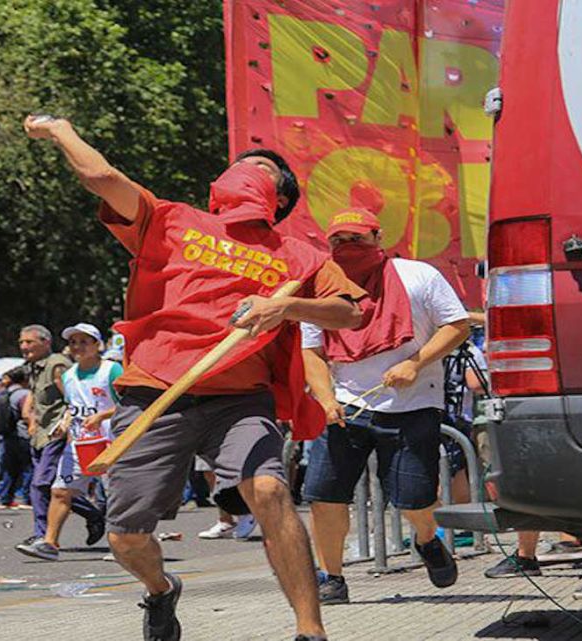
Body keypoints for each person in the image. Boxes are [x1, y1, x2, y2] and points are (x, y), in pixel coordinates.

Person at [25, 114, 367, 641]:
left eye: (261, 168)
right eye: (241, 165)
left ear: (279, 198)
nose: (246, 170)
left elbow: (350, 313)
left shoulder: (301, 258)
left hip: (240, 401)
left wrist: (288, 307)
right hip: (154, 396)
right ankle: (161, 589)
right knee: (125, 538)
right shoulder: (170, 219)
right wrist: (60, 129)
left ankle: (311, 630)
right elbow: (101, 178)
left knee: (271, 491)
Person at [301, 208, 470, 605]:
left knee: (414, 502)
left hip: (413, 405)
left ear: (378, 238)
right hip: (344, 407)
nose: (347, 247)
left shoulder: (419, 276)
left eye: (356, 239)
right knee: (324, 496)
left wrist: (415, 363)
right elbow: (312, 352)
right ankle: (332, 577)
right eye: (339, 240)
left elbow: (457, 325)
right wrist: (325, 399)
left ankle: (427, 541)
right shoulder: (321, 287)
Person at [17, 323, 119, 561]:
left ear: (97, 345)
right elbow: (72, 407)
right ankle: (50, 544)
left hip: (111, 441)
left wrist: (102, 416)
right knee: (60, 491)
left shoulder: (111, 370)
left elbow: (130, 404)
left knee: (115, 495)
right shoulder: (69, 375)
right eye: (73, 342)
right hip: (80, 443)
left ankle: (121, 544)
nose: (78, 347)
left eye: (84, 341)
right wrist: (63, 424)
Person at [0, 368, 31, 509]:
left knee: (10, 468)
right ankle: (28, 499)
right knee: (28, 466)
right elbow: (26, 414)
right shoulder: (25, 394)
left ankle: (5, 499)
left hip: (7, 434)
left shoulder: (3, 393)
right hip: (23, 434)